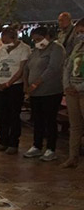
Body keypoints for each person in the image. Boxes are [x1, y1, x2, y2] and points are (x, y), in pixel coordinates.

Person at [23, 27, 66, 161]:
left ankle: (51, 148)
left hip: (50, 91)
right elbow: (27, 67)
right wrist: (26, 85)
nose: (37, 42)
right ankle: (37, 145)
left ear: (47, 36)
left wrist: (36, 83)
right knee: (38, 119)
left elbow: (53, 68)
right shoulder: (36, 51)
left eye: (39, 39)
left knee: (49, 120)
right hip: (35, 93)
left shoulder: (56, 49)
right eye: (34, 40)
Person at [0, 27, 31, 155]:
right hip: (0, 85)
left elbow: (21, 69)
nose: (4, 43)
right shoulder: (2, 49)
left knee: (13, 114)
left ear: (13, 38)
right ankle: (3, 141)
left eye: (6, 40)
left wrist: (8, 83)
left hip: (14, 86)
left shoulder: (24, 49)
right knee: (2, 114)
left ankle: (13, 142)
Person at [61, 18, 84, 168]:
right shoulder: (78, 47)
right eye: (78, 33)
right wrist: (67, 85)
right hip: (72, 91)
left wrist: (79, 87)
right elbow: (68, 67)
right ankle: (72, 157)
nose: (80, 35)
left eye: (82, 32)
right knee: (75, 126)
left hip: (81, 91)